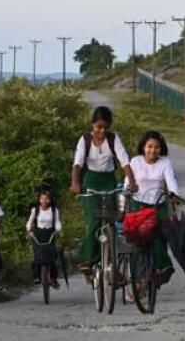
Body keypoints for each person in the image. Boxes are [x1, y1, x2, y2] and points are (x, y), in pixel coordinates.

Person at [70, 106, 138, 273]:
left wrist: (131, 181)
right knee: (94, 221)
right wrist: (75, 183)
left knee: (111, 221)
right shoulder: (85, 140)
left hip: (109, 182)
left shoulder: (113, 139)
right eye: (98, 127)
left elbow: (124, 161)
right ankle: (88, 259)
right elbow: (78, 163)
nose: (102, 131)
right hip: (90, 182)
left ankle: (112, 265)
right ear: (93, 125)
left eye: (105, 127)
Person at [124, 130, 177, 288]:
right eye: (149, 146)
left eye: (157, 147)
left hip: (157, 204)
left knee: (159, 233)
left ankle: (162, 268)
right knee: (139, 241)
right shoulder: (135, 162)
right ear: (143, 147)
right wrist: (129, 187)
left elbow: (171, 180)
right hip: (138, 203)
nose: (153, 150)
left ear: (161, 149)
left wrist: (173, 194)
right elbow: (128, 181)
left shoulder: (165, 163)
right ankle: (140, 280)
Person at [25, 189, 62, 288]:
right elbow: (30, 222)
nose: (44, 201)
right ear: (39, 200)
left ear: (50, 200)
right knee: (37, 255)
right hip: (38, 233)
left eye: (47, 199)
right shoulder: (35, 210)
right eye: (42, 199)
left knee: (52, 256)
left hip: (50, 233)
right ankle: (36, 276)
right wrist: (28, 231)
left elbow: (57, 222)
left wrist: (59, 230)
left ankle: (53, 278)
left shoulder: (54, 210)